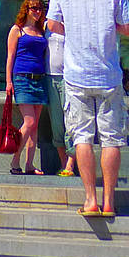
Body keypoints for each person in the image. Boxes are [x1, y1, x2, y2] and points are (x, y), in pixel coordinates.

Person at [47, 0, 129, 217]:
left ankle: (90, 200)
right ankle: (109, 201)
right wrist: (111, 31)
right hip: (108, 74)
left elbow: (52, 24)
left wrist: (74, 32)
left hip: (76, 74)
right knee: (111, 139)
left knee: (82, 137)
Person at [5, 0, 49, 175]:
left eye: (39, 8)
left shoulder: (41, 30)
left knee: (35, 125)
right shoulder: (17, 30)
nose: (37, 11)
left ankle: (29, 164)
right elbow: (10, 56)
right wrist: (8, 81)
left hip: (39, 79)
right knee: (29, 122)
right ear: (26, 9)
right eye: (33, 8)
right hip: (22, 78)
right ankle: (15, 161)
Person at [47, 24, 76, 177]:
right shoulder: (45, 26)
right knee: (57, 124)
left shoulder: (71, 22)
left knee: (70, 120)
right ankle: (63, 162)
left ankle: (70, 164)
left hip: (68, 78)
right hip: (49, 77)